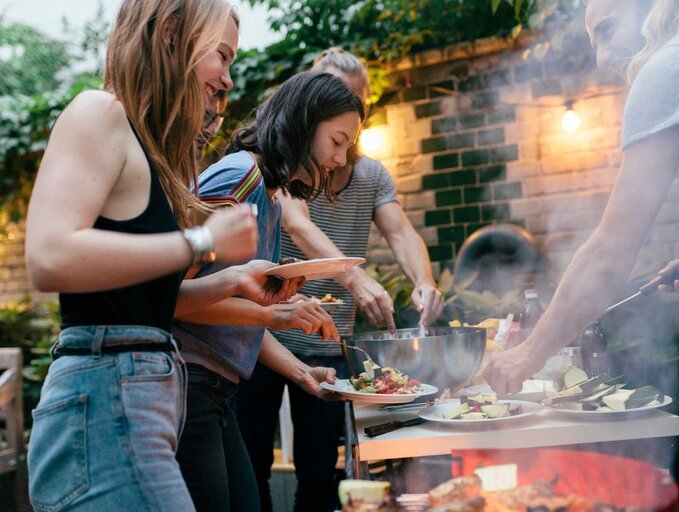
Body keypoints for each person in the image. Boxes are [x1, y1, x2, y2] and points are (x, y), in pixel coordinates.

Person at [21, 1, 302, 509]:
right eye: (222, 56)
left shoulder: (146, 151)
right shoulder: (98, 111)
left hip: (138, 401)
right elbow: (49, 254)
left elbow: (141, 299)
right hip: (105, 400)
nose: (229, 79)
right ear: (171, 34)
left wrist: (235, 281)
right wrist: (203, 241)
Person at [236, 48, 445, 512]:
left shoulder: (370, 174)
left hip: (329, 347)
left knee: (319, 475)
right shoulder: (286, 168)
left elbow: (401, 231)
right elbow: (296, 220)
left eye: (355, 100)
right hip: (262, 337)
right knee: (250, 470)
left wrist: (425, 280)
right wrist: (354, 277)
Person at [172, 70, 366, 511]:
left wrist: (302, 373)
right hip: (188, 384)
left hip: (215, 389)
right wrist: (272, 314)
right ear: (303, 121)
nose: (339, 159)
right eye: (336, 141)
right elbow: (176, 299)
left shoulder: (268, 193)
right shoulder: (239, 180)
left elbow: (233, 307)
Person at [484, 0, 679, 395]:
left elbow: (610, 252)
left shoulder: (667, 67)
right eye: (593, 43)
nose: (602, 58)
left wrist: (527, 354)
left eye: (608, 31)